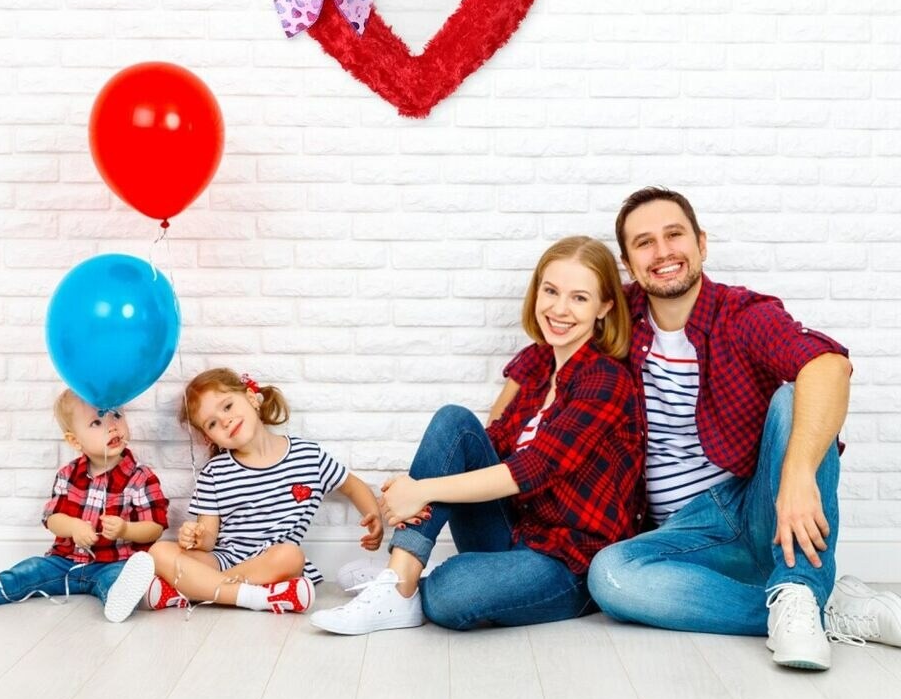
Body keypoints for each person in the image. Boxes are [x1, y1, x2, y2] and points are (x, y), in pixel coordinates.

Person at [583, 186, 901, 670]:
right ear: (628, 262)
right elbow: (550, 347)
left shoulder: (740, 314)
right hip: (680, 534)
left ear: (701, 243)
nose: (663, 251)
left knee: (796, 392)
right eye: (644, 242)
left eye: (675, 235)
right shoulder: (616, 320)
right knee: (610, 577)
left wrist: (795, 478)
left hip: (757, 505)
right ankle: (816, 608)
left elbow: (829, 367)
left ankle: (797, 589)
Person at [310, 236, 643, 635]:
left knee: (452, 595)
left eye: (579, 298)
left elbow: (533, 468)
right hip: (514, 531)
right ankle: (398, 583)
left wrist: (421, 490)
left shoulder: (606, 379)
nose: (558, 309)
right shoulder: (539, 368)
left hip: (566, 562)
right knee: (455, 423)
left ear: (605, 306)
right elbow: (485, 446)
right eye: (551, 290)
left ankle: (408, 580)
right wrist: (410, 491)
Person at [148, 368, 383, 614]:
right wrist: (196, 536)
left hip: (272, 563)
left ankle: (194, 590)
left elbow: (353, 486)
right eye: (213, 423)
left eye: (227, 407)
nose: (225, 420)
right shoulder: (214, 473)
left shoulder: (308, 456)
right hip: (222, 560)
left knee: (291, 556)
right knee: (159, 551)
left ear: (251, 398)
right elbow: (207, 541)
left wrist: (373, 515)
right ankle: (255, 596)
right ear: (210, 438)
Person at [0, 389, 168, 626]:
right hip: (65, 561)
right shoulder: (68, 474)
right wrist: (74, 526)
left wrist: (126, 530)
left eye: (116, 416)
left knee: (117, 579)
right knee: (30, 570)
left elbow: (155, 527)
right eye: (96, 422)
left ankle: (118, 599)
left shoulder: (140, 476)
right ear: (74, 440)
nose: (112, 426)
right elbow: (52, 518)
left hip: (113, 562)